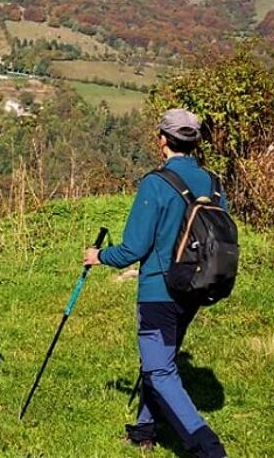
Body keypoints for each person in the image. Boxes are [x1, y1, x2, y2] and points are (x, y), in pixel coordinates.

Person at [83, 109, 228, 458]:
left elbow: (134, 247)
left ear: (162, 140)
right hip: (196, 286)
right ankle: (144, 430)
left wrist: (98, 256)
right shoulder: (214, 182)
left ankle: (208, 448)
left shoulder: (156, 183)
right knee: (160, 361)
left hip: (159, 291)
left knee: (160, 370)